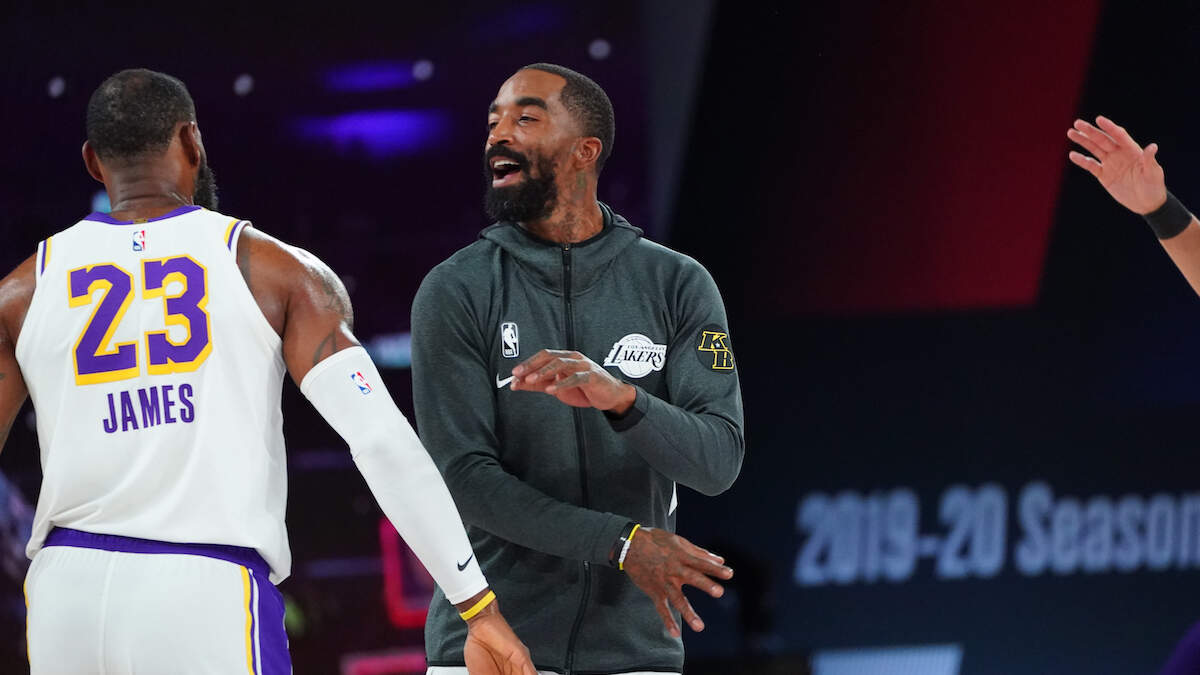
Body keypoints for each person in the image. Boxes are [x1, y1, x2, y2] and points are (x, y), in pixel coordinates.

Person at [0, 68, 534, 675]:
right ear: (192, 142)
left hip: (64, 597)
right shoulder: (276, 272)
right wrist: (478, 607)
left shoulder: (21, 292)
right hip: (204, 587)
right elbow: (382, 441)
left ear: (93, 162)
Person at [411, 63, 744, 675]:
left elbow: (718, 462)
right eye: (493, 121)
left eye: (525, 118)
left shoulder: (677, 283)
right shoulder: (455, 289)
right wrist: (621, 544)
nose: (498, 134)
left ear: (585, 151)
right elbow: (463, 478)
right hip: (491, 647)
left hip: (635, 652)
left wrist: (625, 401)